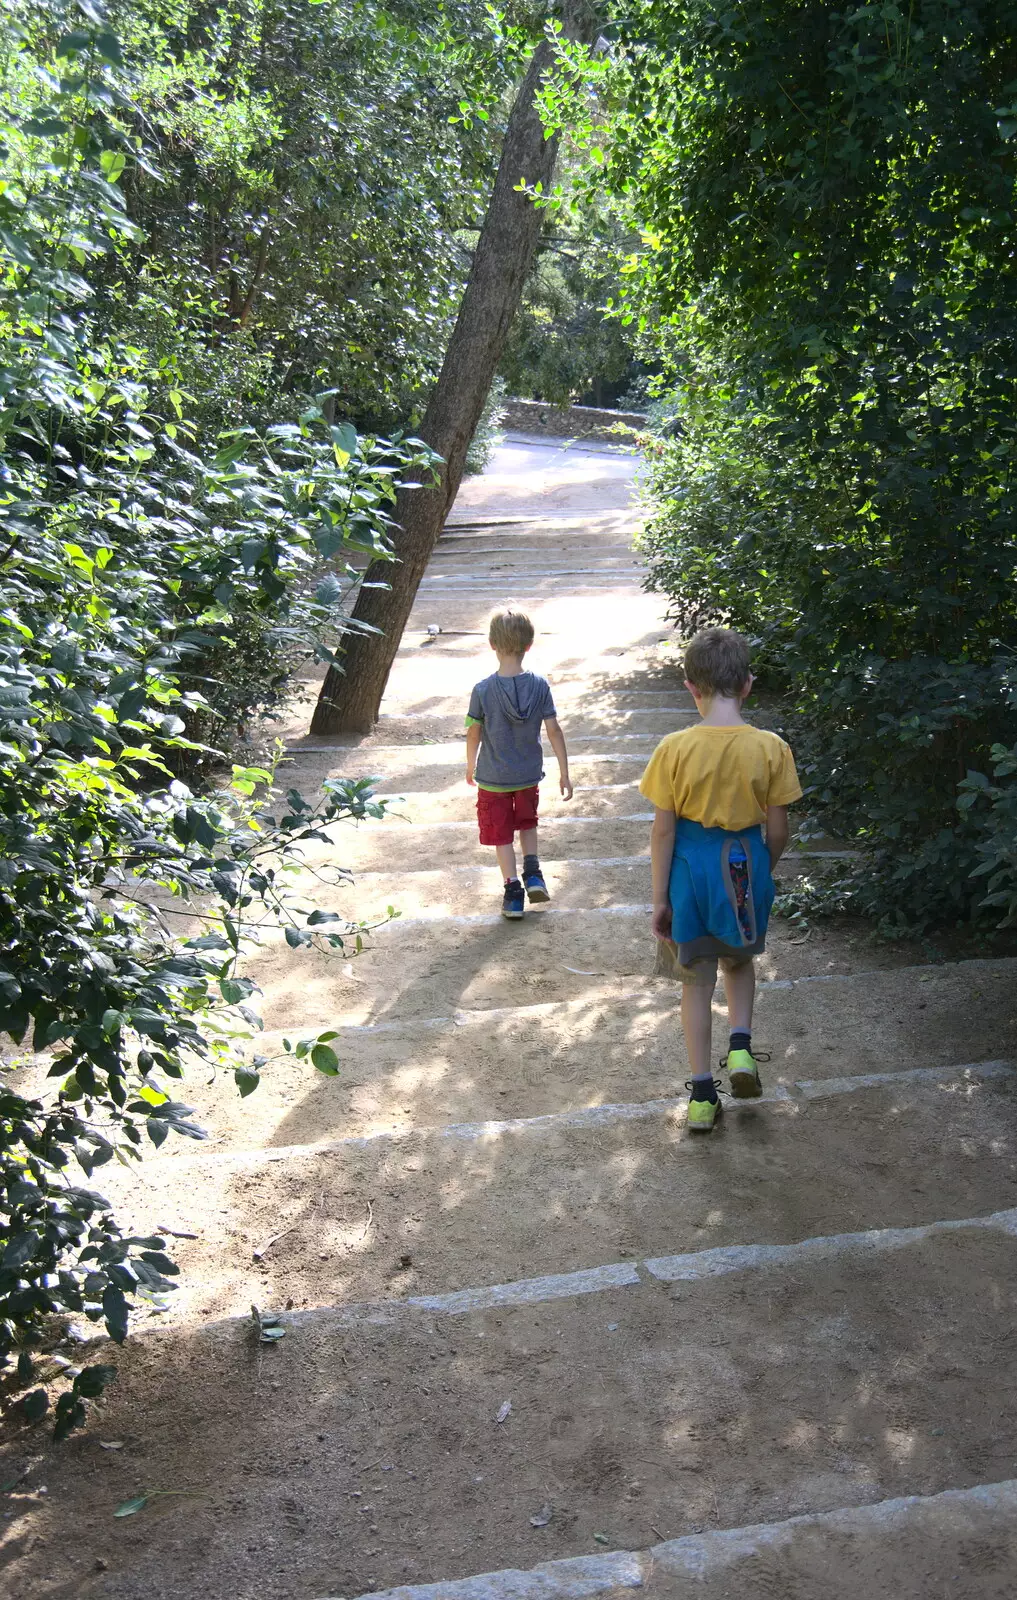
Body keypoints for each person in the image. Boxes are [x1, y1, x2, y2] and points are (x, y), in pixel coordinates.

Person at [639, 627, 802, 1132]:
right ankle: (741, 1049)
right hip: (744, 867)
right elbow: (778, 829)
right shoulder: (771, 748)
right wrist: (759, 872)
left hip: (690, 875)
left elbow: (664, 832)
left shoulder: (674, 748)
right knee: (739, 962)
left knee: (695, 981)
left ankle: (704, 1096)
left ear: (691, 686)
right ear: (748, 685)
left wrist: (660, 898)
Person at [465, 606, 573, 919]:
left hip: (493, 777)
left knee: (501, 834)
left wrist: (470, 765)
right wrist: (564, 773)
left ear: (491, 644)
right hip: (528, 775)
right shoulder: (540, 686)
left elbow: (473, 734)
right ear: (529, 645)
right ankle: (534, 871)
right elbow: (554, 729)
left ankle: (513, 891)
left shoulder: (483, 690)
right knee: (527, 822)